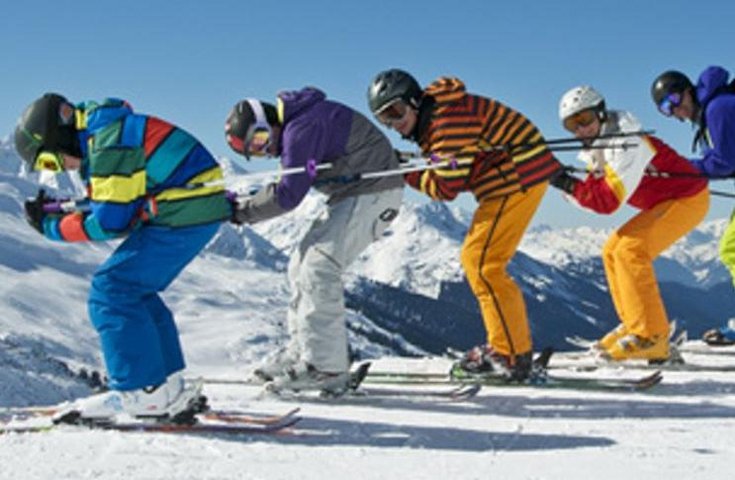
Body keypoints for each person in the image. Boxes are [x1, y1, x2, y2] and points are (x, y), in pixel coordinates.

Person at [14, 93, 231, 422]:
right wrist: (58, 212)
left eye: (50, 162)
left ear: (58, 138)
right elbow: (115, 198)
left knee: (112, 288)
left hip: (184, 214)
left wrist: (52, 228)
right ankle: (166, 387)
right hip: (190, 210)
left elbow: (110, 221)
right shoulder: (106, 133)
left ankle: (142, 393)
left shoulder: (107, 143)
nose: (60, 169)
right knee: (135, 291)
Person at [367, 69, 561, 381]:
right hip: (512, 177)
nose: (393, 124)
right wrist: (411, 163)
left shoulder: (445, 123)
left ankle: (508, 355)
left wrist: (402, 170)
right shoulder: (439, 116)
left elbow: (446, 187)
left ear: (414, 102)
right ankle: (512, 350)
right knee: (482, 262)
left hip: (515, 178)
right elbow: (450, 163)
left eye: (395, 112)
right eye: (383, 119)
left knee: (483, 263)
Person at [224, 87, 403, 393]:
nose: (263, 151)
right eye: (253, 151)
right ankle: (304, 352)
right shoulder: (302, 123)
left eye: (259, 140)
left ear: (269, 124)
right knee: (300, 265)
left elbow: (288, 193)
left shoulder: (301, 127)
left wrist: (240, 211)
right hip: (356, 194)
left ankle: (326, 368)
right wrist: (245, 204)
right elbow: (288, 183)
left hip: (373, 192)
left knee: (319, 267)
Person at [552, 86, 709, 361]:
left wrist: (564, 182)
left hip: (688, 198)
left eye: (584, 119)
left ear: (600, 113)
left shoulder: (626, 143)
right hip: (667, 201)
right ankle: (636, 324)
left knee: (630, 251)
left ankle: (651, 337)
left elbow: (606, 202)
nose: (580, 130)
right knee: (612, 250)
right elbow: (591, 198)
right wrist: (566, 184)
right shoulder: (600, 147)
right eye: (571, 125)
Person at [652, 66, 735, 346]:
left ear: (688, 90)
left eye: (673, 102)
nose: (674, 111)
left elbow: (725, 162)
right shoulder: (715, 108)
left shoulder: (718, 108)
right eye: (665, 110)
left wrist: (682, 168)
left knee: (732, 248)